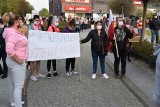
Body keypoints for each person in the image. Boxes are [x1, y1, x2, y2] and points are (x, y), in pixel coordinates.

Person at [2, 13, 28, 107]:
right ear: (16, 21)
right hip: (16, 62)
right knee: (19, 86)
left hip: (12, 61)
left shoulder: (11, 32)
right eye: (20, 20)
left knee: (13, 83)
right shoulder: (13, 34)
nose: (21, 21)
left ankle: (14, 101)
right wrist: (19, 61)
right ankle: (17, 104)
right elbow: (9, 49)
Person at [28, 15, 45, 81]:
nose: (37, 21)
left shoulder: (40, 27)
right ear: (33, 20)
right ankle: (32, 75)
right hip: (32, 46)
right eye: (36, 20)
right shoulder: (30, 27)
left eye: (38, 20)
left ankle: (38, 73)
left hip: (38, 45)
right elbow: (29, 35)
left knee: (38, 60)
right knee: (32, 61)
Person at [0, 15, 8, 79]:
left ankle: (5, 73)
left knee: (4, 61)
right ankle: (1, 71)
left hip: (4, 47)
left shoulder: (6, 29)